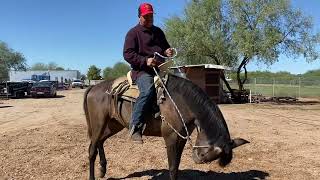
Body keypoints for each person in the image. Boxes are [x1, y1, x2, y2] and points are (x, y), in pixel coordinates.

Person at [123, 3, 174, 144]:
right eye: (146, 16)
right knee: (147, 90)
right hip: (142, 71)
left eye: (151, 15)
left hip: (160, 68)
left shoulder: (158, 32)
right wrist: (145, 61)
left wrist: (167, 51)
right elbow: (127, 54)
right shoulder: (133, 33)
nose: (150, 18)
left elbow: (164, 47)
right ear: (139, 16)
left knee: (178, 86)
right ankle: (135, 126)